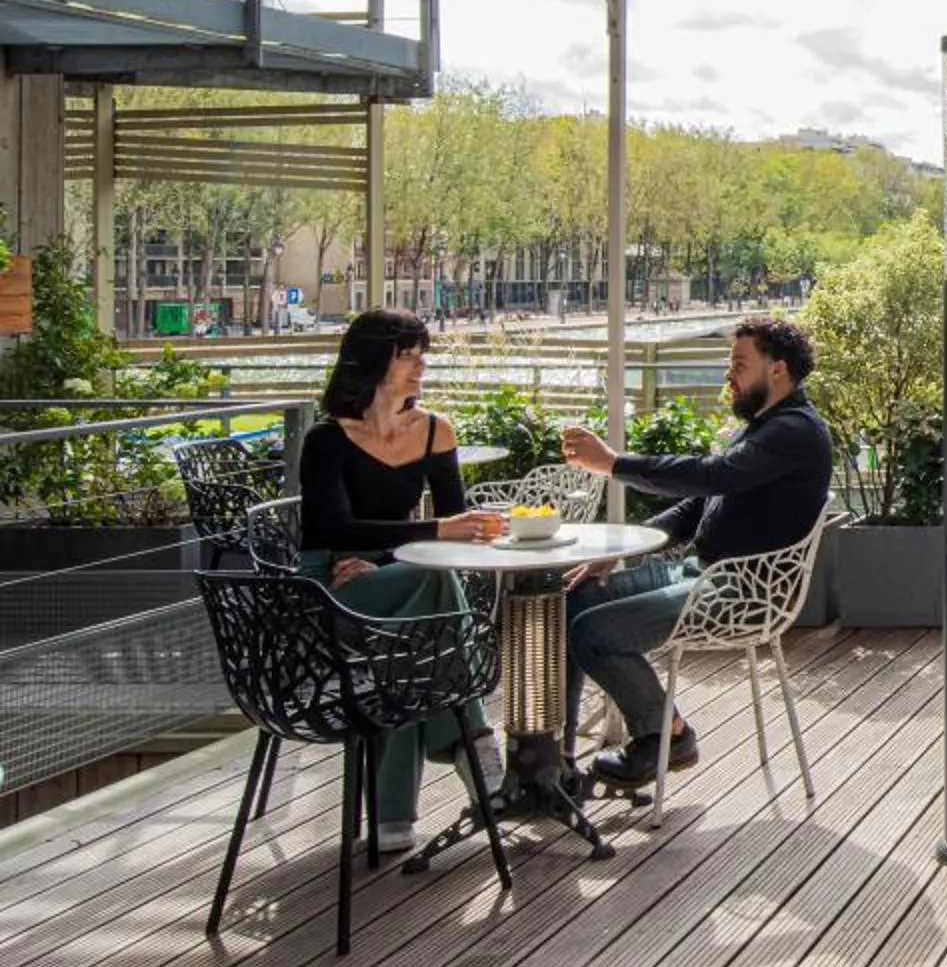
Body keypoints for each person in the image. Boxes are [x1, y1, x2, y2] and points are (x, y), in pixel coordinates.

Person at [555, 314, 835, 787]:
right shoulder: (762, 426)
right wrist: (621, 552)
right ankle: (556, 756)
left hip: (744, 592)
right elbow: (697, 506)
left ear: (778, 370)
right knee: (577, 595)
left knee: (595, 634)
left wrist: (614, 463)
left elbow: (710, 476)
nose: (729, 374)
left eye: (739, 364)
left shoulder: (795, 432)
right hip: (699, 572)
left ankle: (666, 735)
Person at [293, 308, 506, 853]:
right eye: (407, 355)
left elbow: (455, 536)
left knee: (415, 629)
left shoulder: (436, 431)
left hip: (396, 581)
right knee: (428, 592)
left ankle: (393, 821)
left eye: (421, 355)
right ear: (371, 361)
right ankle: (471, 737)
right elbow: (332, 527)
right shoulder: (326, 440)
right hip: (332, 589)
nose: (420, 366)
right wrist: (425, 536)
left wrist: (389, 560)